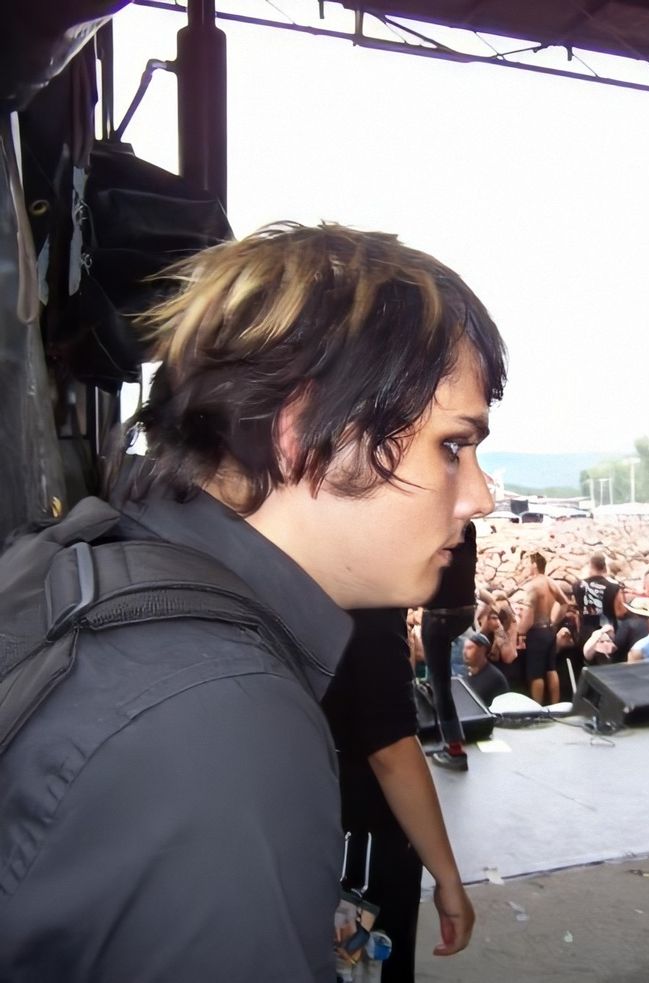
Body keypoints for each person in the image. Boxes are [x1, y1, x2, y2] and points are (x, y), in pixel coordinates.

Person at [0, 222, 507, 981]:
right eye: (451, 445)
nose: (481, 496)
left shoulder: (98, 563)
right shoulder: (219, 720)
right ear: (302, 431)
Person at [322, 609, 473, 982]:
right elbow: (389, 749)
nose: (454, 546)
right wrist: (448, 879)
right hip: (360, 838)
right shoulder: (369, 604)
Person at [421, 522, 480, 771]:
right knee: (439, 677)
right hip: (466, 611)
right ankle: (445, 733)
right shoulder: (469, 528)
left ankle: (454, 748)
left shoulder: (433, 528)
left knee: (440, 681)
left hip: (440, 614)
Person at [516, 551, 569, 705]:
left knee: (536, 673)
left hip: (536, 633)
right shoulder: (551, 582)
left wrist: (519, 631)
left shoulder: (533, 586)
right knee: (551, 669)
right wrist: (554, 622)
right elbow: (564, 602)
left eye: (527, 563)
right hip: (549, 631)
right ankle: (555, 706)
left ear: (534, 565)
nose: (525, 566)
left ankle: (537, 709)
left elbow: (528, 617)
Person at [573, 551, 626, 647]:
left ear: (590, 565)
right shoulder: (613, 587)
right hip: (607, 635)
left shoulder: (577, 585)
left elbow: (577, 608)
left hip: (586, 634)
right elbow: (620, 613)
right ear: (605, 567)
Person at [461, 629, 511, 706]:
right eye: (464, 648)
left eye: (470, 648)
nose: (464, 652)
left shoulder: (494, 678)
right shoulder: (464, 674)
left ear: (482, 650)